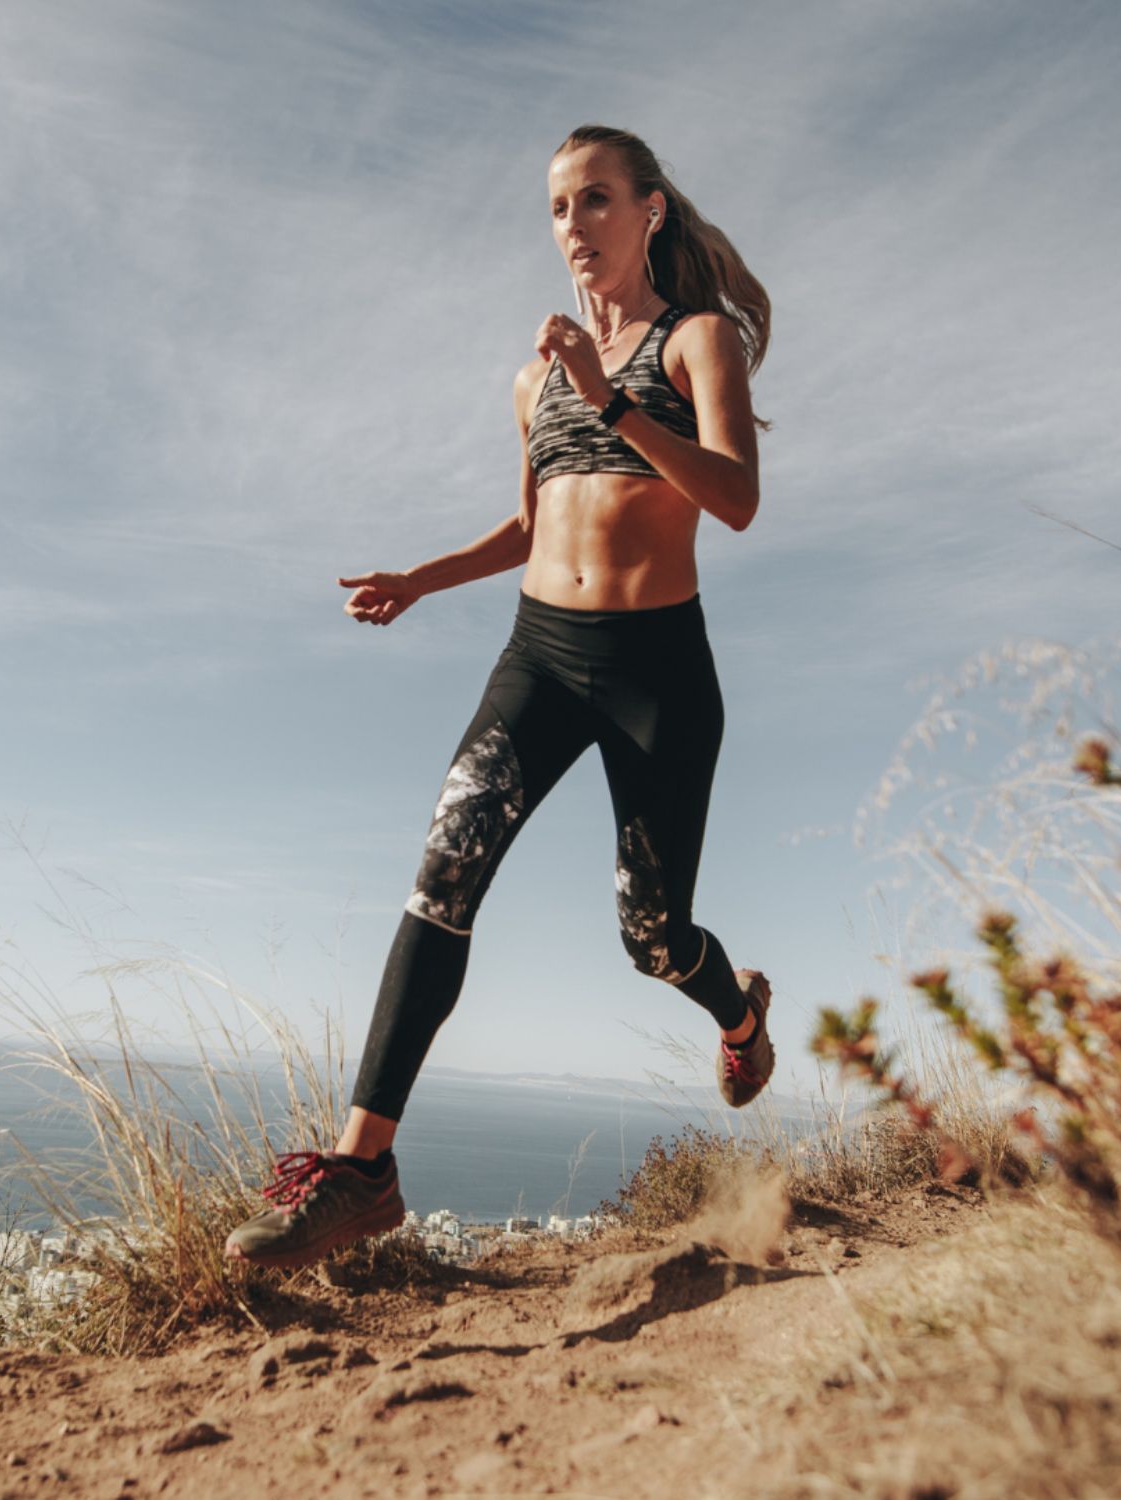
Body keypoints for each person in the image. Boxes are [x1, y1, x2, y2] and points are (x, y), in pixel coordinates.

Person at [226, 124, 775, 1271]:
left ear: (650, 211)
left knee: (652, 933)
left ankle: (738, 1016)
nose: (574, 227)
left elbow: (735, 498)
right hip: (541, 654)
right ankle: (361, 1170)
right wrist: (420, 581)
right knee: (445, 872)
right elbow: (532, 525)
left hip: (657, 668)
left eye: (596, 201)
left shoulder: (695, 341)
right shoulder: (534, 377)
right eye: (558, 208)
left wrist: (612, 400)